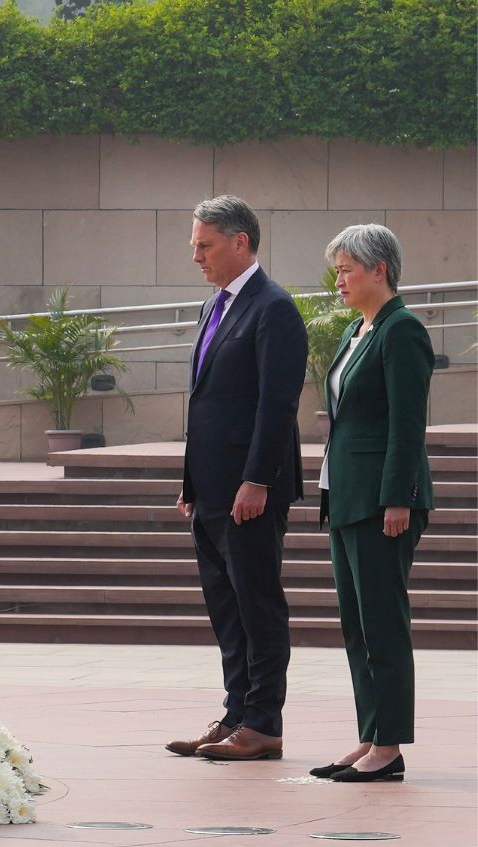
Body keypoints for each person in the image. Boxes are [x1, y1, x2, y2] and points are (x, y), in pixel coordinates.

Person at [167, 195, 308, 762]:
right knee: (226, 607)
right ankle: (235, 715)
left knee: (258, 605)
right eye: (194, 246)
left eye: (205, 245)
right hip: (211, 489)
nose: (196, 256)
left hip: (251, 491)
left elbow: (277, 406)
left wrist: (258, 480)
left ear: (239, 242)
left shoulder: (273, 308)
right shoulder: (214, 307)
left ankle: (264, 724)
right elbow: (208, 403)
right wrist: (191, 480)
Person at [312, 225, 433, 783]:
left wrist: (397, 499)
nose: (338, 280)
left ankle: (390, 747)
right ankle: (371, 735)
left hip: (382, 501)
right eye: (338, 270)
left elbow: (407, 426)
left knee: (383, 623)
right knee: (357, 625)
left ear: (379, 269)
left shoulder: (401, 330)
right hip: (347, 495)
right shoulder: (358, 331)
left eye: (346, 270)